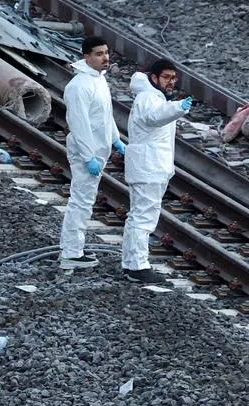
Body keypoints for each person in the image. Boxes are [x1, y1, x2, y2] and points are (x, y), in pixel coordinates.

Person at [121, 59, 191, 284]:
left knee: (138, 216)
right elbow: (155, 118)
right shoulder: (149, 98)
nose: (171, 82)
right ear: (154, 78)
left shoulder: (154, 97)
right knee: (144, 217)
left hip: (148, 166)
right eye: (166, 78)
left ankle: (131, 263)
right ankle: (139, 266)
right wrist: (179, 107)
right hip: (148, 167)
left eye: (173, 78)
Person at [59, 35, 123, 270]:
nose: (105, 58)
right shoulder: (78, 86)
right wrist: (88, 157)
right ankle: (71, 252)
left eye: (106, 52)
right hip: (87, 152)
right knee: (81, 201)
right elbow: (79, 124)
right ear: (86, 56)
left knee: (86, 200)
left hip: (98, 149)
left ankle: (75, 249)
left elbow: (104, 114)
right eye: (99, 53)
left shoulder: (98, 80)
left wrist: (116, 140)